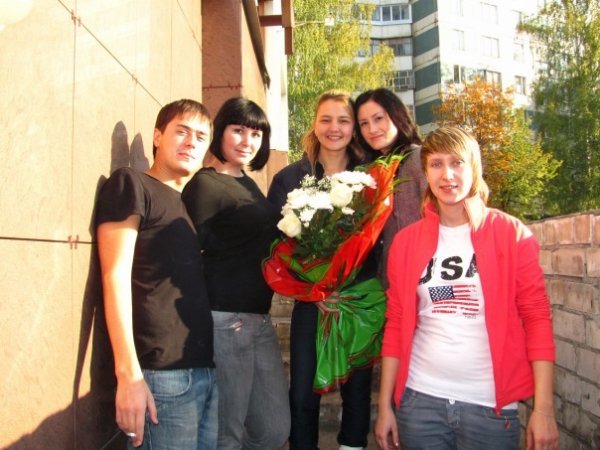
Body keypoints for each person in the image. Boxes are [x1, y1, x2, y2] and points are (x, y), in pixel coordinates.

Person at [375, 126, 559, 450]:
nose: (447, 175)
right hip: (420, 403)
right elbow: (396, 323)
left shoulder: (511, 234)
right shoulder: (405, 243)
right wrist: (385, 406)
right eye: (436, 164)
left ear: (474, 168)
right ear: (426, 173)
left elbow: (537, 319)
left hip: (490, 408)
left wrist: (543, 410)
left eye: (457, 162)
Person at [95, 99, 218, 450]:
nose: (191, 142)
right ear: (157, 136)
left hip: (204, 371)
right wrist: (128, 375)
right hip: (160, 377)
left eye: (201, 137)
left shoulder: (184, 205)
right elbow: (114, 276)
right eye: (182, 131)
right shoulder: (131, 184)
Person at [182, 97, 290, 450]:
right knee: (225, 434)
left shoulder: (248, 183)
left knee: (273, 429)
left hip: (258, 319)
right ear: (220, 132)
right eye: (238, 130)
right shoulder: (206, 184)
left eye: (256, 134)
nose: (248, 141)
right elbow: (188, 257)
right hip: (226, 319)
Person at [268, 90, 372, 450]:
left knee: (357, 390)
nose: (334, 128)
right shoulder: (290, 179)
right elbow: (275, 246)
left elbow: (377, 242)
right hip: (312, 301)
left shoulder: (370, 176)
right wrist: (314, 291)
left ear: (354, 128)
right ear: (314, 124)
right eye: (326, 119)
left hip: (356, 303)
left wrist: (351, 288)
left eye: (343, 120)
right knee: (301, 394)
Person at [354, 88, 426, 286]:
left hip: (422, 277)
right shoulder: (371, 170)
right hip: (388, 280)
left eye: (379, 118)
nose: (372, 129)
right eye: (364, 123)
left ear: (397, 115)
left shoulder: (420, 158)